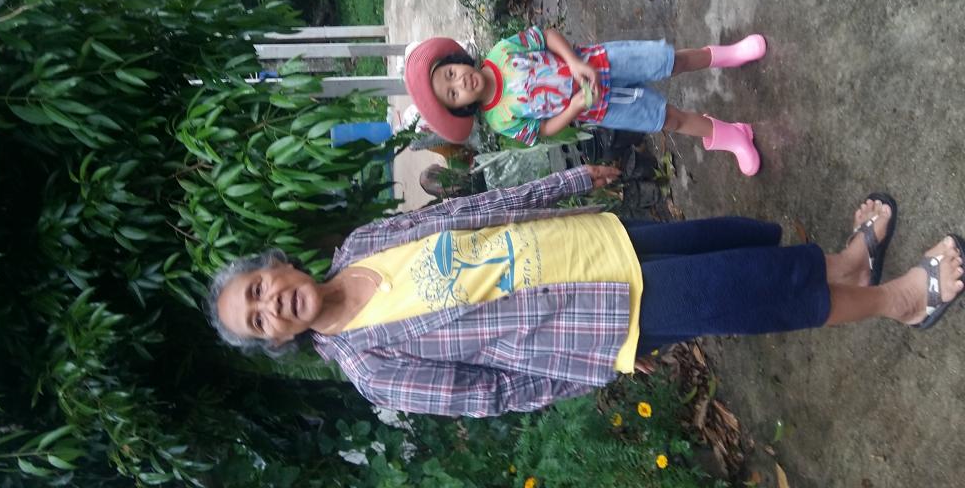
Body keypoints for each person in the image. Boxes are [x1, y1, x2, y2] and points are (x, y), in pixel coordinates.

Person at [206, 166, 964, 417]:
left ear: (278, 267)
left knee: (732, 246)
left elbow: (474, 214)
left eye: (259, 288)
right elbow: (493, 395)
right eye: (257, 319)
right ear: (277, 341)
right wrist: (594, 364)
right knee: (746, 290)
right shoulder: (371, 368)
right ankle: (900, 302)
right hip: (595, 319)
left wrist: (565, 183)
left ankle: (847, 265)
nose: (270, 304)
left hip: (593, 244)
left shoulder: (361, 243)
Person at [403, 28, 766, 176]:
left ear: (456, 61)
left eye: (451, 73)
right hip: (604, 105)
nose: (460, 82)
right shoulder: (500, 119)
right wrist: (575, 107)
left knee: (671, 61)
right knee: (668, 119)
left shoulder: (502, 52)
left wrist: (574, 62)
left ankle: (727, 54)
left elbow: (546, 36)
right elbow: (544, 130)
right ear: (461, 107)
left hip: (604, 61)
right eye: (453, 94)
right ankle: (731, 136)